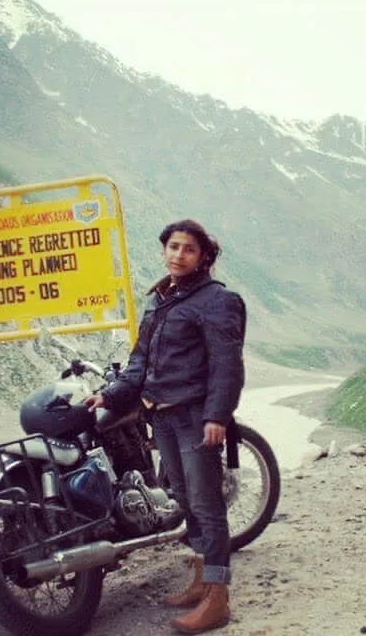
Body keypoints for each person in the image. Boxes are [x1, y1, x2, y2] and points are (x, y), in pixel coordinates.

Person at [85, 219, 246, 634]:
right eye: (173, 247)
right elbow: (140, 361)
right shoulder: (162, 299)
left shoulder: (217, 301)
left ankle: (218, 599)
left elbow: (227, 367)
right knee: (185, 500)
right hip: (163, 416)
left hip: (195, 416)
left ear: (203, 257)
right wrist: (112, 395)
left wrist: (217, 417)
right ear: (164, 251)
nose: (178, 255)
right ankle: (200, 580)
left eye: (188, 249)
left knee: (207, 504)